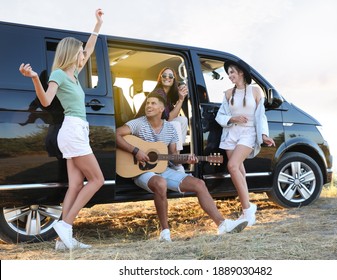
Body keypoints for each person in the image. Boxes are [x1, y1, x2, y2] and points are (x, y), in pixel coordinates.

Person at [19, 9, 105, 250]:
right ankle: (65, 225)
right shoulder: (58, 73)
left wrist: (97, 25)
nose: (83, 56)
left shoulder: (75, 74)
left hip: (77, 131)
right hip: (73, 130)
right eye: (79, 52)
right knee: (97, 179)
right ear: (71, 53)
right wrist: (35, 78)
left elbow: (89, 47)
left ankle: (63, 240)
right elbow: (46, 101)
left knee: (76, 184)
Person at [116, 92, 248, 242]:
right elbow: (116, 134)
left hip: (163, 169)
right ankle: (165, 233)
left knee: (199, 184)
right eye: (147, 103)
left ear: (162, 109)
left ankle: (222, 225)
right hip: (141, 171)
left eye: (153, 103)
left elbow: (173, 158)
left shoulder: (170, 129)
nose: (149, 106)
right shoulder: (138, 123)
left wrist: (187, 160)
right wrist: (136, 151)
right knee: (160, 183)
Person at [215, 60, 275, 227]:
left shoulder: (255, 91)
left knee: (232, 166)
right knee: (239, 170)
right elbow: (220, 116)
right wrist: (232, 118)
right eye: (228, 73)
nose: (230, 76)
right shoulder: (228, 94)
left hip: (248, 133)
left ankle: (248, 211)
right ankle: (247, 209)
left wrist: (263, 135)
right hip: (231, 134)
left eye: (232, 72)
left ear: (241, 72)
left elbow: (261, 115)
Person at [135, 67, 188, 153]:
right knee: (176, 124)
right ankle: (175, 157)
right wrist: (181, 100)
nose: (167, 77)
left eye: (170, 76)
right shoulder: (159, 93)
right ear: (160, 78)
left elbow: (170, 116)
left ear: (174, 80)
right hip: (146, 127)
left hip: (156, 124)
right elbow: (169, 118)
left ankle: (175, 153)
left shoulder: (167, 95)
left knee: (183, 120)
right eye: (164, 75)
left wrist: (182, 86)